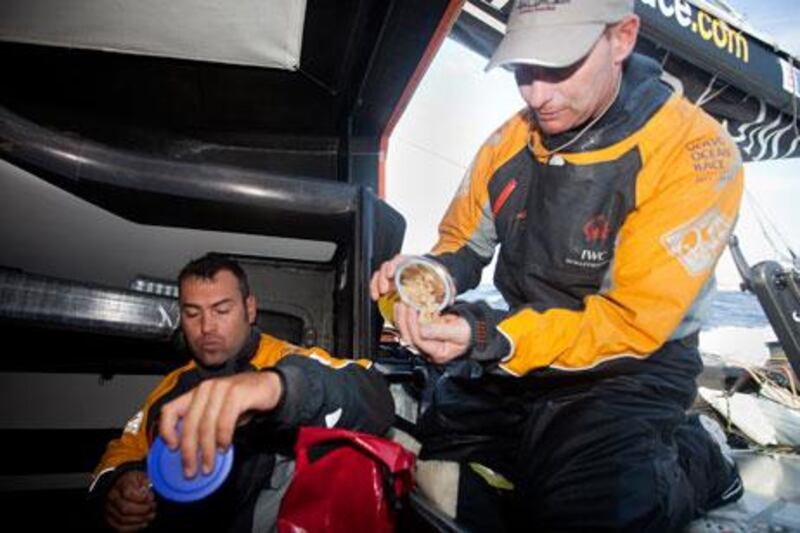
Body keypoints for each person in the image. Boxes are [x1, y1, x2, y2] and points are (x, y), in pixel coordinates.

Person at [371, 0, 744, 530]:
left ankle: (701, 457)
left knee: (588, 513)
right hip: (520, 347)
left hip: (632, 366)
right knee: (437, 467)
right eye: (523, 71)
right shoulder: (507, 141)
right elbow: (462, 244)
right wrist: (425, 275)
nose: (536, 95)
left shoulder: (695, 151)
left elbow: (626, 323)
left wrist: (487, 337)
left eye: (560, 66)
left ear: (623, 38)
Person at [90, 254, 394, 532]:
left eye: (221, 310)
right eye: (192, 313)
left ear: (249, 309)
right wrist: (119, 483)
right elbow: (125, 447)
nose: (206, 327)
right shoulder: (172, 387)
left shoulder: (287, 361)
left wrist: (278, 389)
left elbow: (373, 392)